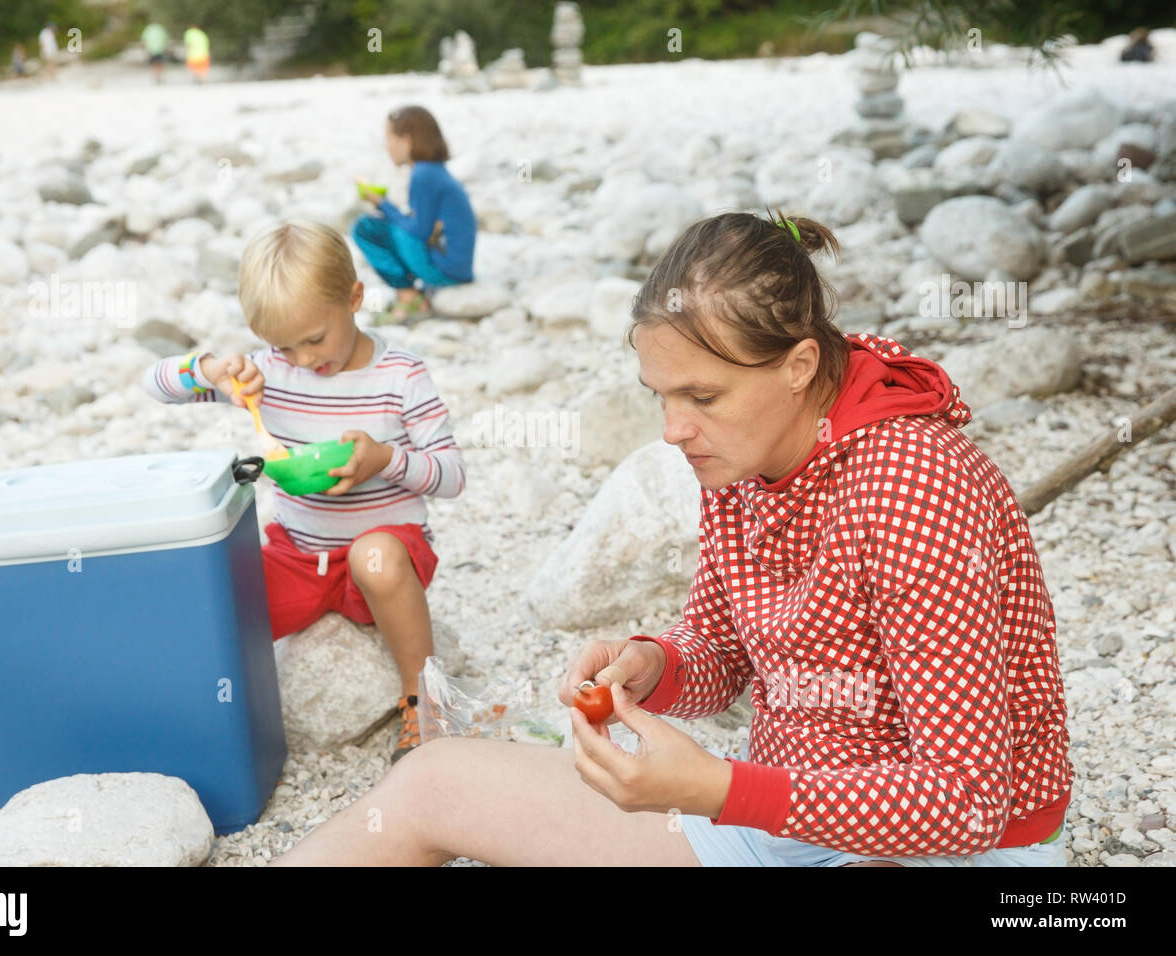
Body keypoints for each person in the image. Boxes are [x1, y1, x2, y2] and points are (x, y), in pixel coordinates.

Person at [272, 211, 1074, 867]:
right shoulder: (739, 453)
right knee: (433, 783)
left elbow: (965, 801)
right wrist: (652, 664)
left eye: (702, 395)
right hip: (783, 813)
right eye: (660, 394)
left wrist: (721, 790)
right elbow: (722, 652)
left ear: (799, 365)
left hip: (950, 849)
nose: (673, 430)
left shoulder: (917, 487)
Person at [140, 222, 465, 764]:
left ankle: (425, 702)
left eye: (315, 339)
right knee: (220, 600)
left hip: (389, 553)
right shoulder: (268, 374)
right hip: (300, 556)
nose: (305, 359)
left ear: (355, 298)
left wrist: (385, 459)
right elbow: (155, 383)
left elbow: (452, 474)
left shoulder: (400, 376)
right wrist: (213, 370)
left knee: (376, 556)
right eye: (283, 345)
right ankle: (213, 717)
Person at [351, 106, 475, 324]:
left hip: (447, 270)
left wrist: (381, 204)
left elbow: (418, 230)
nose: (386, 146)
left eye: (389, 138)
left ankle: (409, 298)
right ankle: (412, 294)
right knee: (388, 226)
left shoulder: (423, 174)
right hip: (458, 266)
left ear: (406, 142)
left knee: (365, 228)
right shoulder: (433, 170)